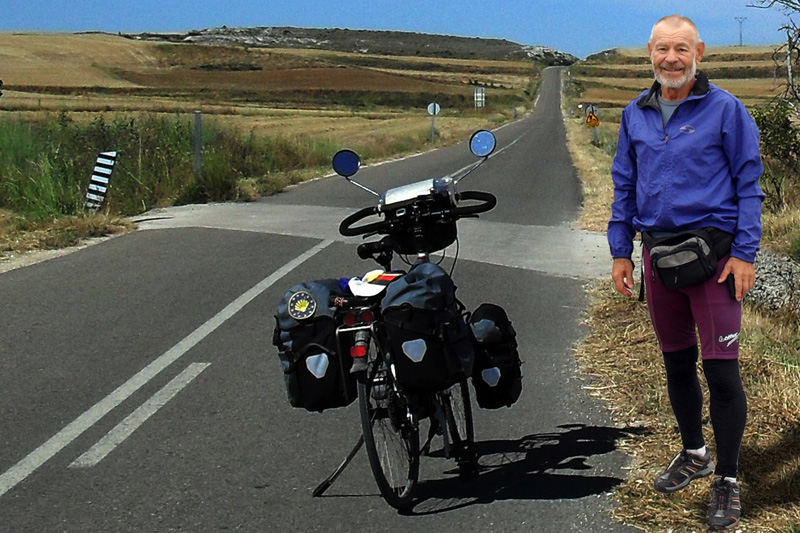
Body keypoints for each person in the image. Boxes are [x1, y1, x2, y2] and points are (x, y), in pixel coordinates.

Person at [607, 14, 764, 532]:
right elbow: (624, 186)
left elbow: (748, 184)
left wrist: (745, 253)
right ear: (648, 53)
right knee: (677, 364)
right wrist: (620, 251)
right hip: (658, 258)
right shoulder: (635, 114)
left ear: (699, 52)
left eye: (680, 49)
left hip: (716, 261)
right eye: (661, 49)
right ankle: (693, 452)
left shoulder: (726, 110)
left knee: (721, 371)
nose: (670, 59)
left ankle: (728, 476)